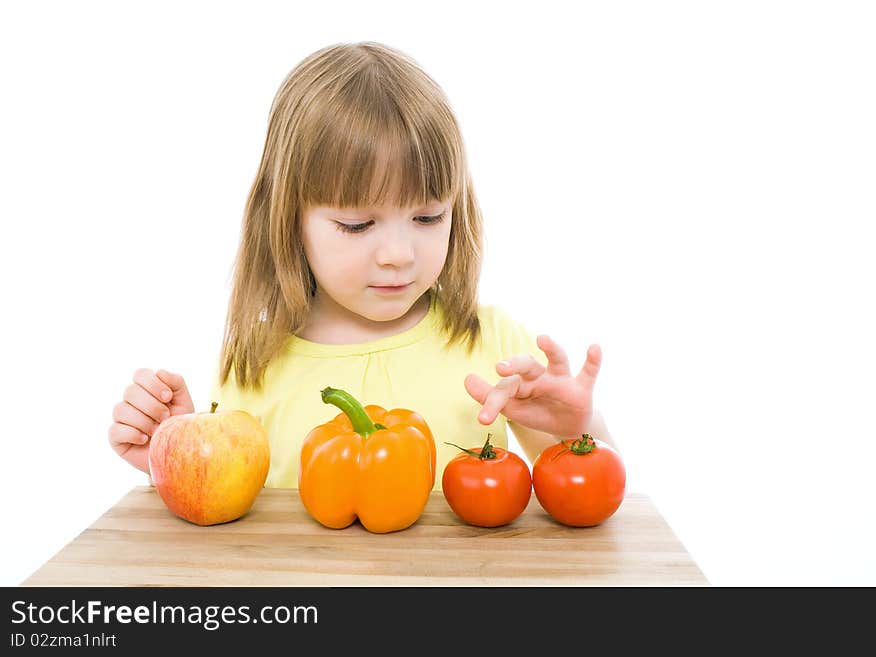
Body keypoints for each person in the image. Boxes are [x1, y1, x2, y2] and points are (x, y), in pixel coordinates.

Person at [108, 41, 616, 490]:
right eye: (357, 224)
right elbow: (232, 534)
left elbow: (592, 494)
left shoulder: (495, 346)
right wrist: (172, 454)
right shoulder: (254, 361)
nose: (398, 253)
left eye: (428, 215)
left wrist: (577, 429)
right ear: (289, 219)